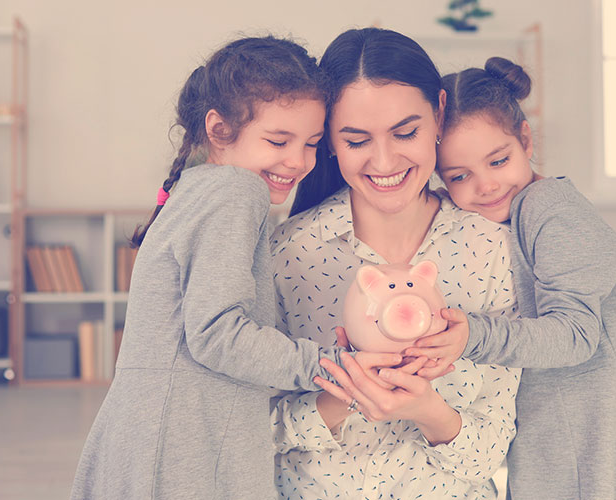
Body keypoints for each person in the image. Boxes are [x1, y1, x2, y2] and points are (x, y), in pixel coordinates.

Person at [69, 36, 401, 500]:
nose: (299, 161)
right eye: (278, 140)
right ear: (219, 129)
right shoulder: (235, 193)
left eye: (311, 144)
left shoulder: (198, 189)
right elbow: (218, 333)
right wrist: (333, 367)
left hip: (150, 439)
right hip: (184, 450)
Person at [408, 56, 616, 499]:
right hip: (560, 429)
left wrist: (472, 336)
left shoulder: (551, 209)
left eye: (498, 160)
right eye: (460, 176)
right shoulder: (504, 217)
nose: (485, 185)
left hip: (601, 439)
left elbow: (576, 334)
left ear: (525, 139)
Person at [270, 28, 522, 499]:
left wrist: (429, 410)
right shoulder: (288, 254)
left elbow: (493, 449)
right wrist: (340, 395)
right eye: (356, 140)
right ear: (329, 140)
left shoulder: (494, 252)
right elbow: (249, 432)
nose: (384, 161)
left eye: (406, 132)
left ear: (440, 114)